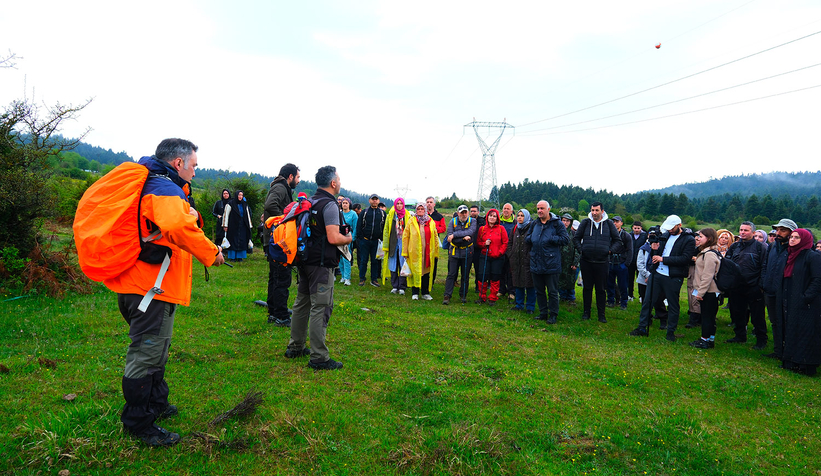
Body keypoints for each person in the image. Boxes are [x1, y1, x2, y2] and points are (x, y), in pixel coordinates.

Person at [106, 138, 225, 446]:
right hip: (150, 289)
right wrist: (211, 253)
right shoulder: (164, 188)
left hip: (143, 284)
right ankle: (138, 422)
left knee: (157, 349)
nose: (195, 173)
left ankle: (157, 403)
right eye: (194, 166)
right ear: (178, 163)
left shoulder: (151, 183)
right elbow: (178, 226)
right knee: (146, 354)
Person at [284, 166, 351, 371]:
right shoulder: (329, 205)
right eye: (338, 179)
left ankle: (295, 347)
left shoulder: (310, 201)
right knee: (320, 307)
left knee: (301, 303)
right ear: (332, 183)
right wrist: (349, 238)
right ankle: (319, 357)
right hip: (321, 264)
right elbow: (333, 237)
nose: (339, 182)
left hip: (304, 260)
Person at [629, 215, 696, 340]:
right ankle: (642, 327)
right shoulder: (665, 235)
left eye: (672, 228)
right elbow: (656, 256)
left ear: (679, 225)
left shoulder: (688, 240)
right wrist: (654, 250)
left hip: (673, 276)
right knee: (647, 301)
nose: (670, 230)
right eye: (668, 228)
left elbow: (685, 259)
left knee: (673, 304)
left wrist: (663, 259)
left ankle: (671, 331)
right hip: (657, 273)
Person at [779, 228, 821, 375]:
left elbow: (818, 279)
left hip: (807, 303)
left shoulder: (812, 256)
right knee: (792, 330)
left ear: (804, 240)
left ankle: (805, 364)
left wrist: (806, 297)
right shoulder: (791, 255)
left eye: (796, 238)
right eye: (791, 237)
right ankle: (791, 361)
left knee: (806, 332)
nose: (792, 240)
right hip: (791, 298)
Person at [264, 163, 300, 326]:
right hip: (278, 241)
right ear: (290, 176)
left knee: (275, 277)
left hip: (274, 240)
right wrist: (285, 221)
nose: (298, 180)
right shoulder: (280, 188)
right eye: (298, 177)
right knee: (281, 278)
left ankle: (274, 310)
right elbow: (270, 205)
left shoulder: (282, 187)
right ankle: (280, 315)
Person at [724, 221, 769, 349]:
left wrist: (760, 285)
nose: (742, 232)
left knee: (757, 315)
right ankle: (740, 335)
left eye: (746, 230)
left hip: (754, 286)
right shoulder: (735, 247)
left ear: (753, 233)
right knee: (738, 312)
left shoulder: (761, 248)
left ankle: (761, 340)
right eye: (741, 230)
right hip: (737, 286)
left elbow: (764, 267)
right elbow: (728, 264)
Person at [574, 202, 619, 322]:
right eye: (592, 210)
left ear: (602, 211)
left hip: (602, 262)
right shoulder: (585, 223)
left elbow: (617, 240)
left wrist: (610, 251)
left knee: (601, 289)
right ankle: (586, 312)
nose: (594, 213)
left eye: (597, 210)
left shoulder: (609, 224)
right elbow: (576, 238)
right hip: (586, 261)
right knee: (587, 288)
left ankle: (601, 315)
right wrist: (581, 250)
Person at [528, 201, 569, 323]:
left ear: (548, 209)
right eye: (538, 208)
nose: (539, 211)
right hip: (536, 262)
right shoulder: (534, 223)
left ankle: (553, 314)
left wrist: (551, 238)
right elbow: (527, 237)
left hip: (551, 264)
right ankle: (543, 312)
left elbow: (565, 239)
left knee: (552, 292)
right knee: (539, 291)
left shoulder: (557, 224)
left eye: (542, 208)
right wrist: (532, 238)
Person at [762, 218, 797, 360]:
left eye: (783, 230)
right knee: (775, 321)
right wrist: (764, 282)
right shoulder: (772, 246)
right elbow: (765, 265)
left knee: (787, 322)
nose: (778, 233)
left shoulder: (794, 249)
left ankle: (788, 352)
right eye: (777, 230)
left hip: (786, 292)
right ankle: (777, 350)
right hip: (770, 290)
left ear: (791, 232)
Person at [688, 228, 721, 349]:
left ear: (709, 239)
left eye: (701, 236)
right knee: (709, 316)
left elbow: (707, 276)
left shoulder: (710, 255)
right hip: (708, 291)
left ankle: (704, 340)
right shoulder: (706, 253)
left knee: (707, 316)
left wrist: (700, 293)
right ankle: (710, 339)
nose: (698, 239)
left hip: (709, 291)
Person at [402, 203, 438, 300]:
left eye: (422, 209)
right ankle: (415, 292)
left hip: (427, 251)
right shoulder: (411, 221)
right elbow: (405, 237)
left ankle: (425, 292)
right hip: (414, 251)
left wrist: (436, 251)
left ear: (425, 210)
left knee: (426, 271)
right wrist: (405, 252)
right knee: (415, 271)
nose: (420, 210)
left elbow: (435, 237)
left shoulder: (431, 221)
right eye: (418, 209)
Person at [443, 205, 477, 305]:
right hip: (454, 252)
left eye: (465, 212)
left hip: (467, 252)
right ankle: (447, 295)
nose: (464, 214)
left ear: (468, 213)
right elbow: (450, 237)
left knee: (465, 275)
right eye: (461, 212)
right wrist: (462, 238)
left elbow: (470, 232)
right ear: (458, 213)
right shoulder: (452, 221)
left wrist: (455, 235)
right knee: (451, 274)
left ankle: (463, 295)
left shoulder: (473, 221)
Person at [475, 208, 509, 305]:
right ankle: (482, 296)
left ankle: (493, 298)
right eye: (490, 215)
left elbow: (505, 242)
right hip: (484, 256)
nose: (492, 218)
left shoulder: (501, 229)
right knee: (482, 276)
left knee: (495, 277)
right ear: (487, 217)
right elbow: (478, 242)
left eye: (494, 216)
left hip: (497, 257)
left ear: (497, 218)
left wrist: (500, 252)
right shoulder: (482, 229)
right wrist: (484, 244)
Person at [508, 209, 535, 313]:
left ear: (527, 217)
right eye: (518, 215)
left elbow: (534, 243)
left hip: (528, 261)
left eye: (522, 216)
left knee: (529, 284)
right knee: (518, 282)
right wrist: (511, 254)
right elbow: (510, 243)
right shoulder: (515, 229)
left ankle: (530, 307)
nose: (519, 217)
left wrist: (530, 256)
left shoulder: (531, 228)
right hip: (516, 260)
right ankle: (519, 304)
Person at [356, 194, 386, 286]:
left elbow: (384, 227)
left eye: (376, 199)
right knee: (363, 260)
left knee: (375, 261)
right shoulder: (364, 212)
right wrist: (361, 238)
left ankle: (374, 279)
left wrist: (381, 238)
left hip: (376, 241)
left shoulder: (382, 213)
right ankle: (362, 278)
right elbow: (359, 226)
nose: (374, 201)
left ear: (378, 201)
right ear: (369, 201)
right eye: (373, 199)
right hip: (365, 240)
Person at [606, 216, 633, 311]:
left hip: (621, 262)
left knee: (623, 285)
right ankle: (610, 301)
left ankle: (624, 303)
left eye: (617, 221)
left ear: (621, 223)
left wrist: (627, 264)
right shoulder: (608, 235)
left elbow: (630, 250)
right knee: (609, 284)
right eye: (613, 221)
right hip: (610, 261)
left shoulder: (626, 236)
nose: (615, 223)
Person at [382, 198, 408, 294]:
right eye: (398, 203)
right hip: (393, 242)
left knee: (402, 264)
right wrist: (386, 245)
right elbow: (386, 230)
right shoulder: (391, 215)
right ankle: (394, 285)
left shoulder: (407, 215)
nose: (399, 205)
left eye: (401, 203)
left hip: (403, 243)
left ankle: (402, 286)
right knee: (393, 264)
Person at [222, 190, 252, 262]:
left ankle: (240, 257)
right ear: (236, 195)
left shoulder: (244, 204)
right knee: (233, 240)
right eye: (239, 195)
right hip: (233, 225)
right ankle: (233, 257)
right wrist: (225, 225)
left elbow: (247, 215)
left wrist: (249, 225)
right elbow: (226, 215)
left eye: (241, 195)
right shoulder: (230, 204)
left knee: (242, 240)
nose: (240, 197)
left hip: (243, 225)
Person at [558, 213, 580, 305]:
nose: (565, 223)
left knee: (570, 280)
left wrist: (575, 262)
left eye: (567, 221)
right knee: (559, 279)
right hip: (559, 261)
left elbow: (577, 249)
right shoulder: (557, 232)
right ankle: (562, 296)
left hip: (570, 261)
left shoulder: (574, 234)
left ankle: (571, 297)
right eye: (563, 220)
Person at [425, 196, 447, 284]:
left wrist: (433, 229)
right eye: (427, 202)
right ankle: (424, 281)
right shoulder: (423, 215)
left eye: (431, 202)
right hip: (423, 241)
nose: (429, 204)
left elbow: (443, 228)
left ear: (434, 204)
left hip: (434, 241)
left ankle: (432, 282)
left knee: (434, 262)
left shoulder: (439, 216)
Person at [499, 203, 517, 297]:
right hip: (499, 250)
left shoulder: (515, 222)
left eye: (508, 209)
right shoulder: (498, 221)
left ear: (511, 211)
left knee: (510, 272)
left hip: (511, 251)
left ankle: (511, 291)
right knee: (500, 271)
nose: (506, 210)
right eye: (504, 208)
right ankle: (501, 289)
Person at [339, 197, 358, 286]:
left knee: (346, 258)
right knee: (340, 259)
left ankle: (347, 278)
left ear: (349, 204)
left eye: (346, 203)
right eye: (343, 203)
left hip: (348, 238)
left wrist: (352, 239)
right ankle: (342, 276)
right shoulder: (339, 213)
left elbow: (355, 228)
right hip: (339, 237)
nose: (345, 204)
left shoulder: (353, 214)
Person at [627, 221, 647, 301]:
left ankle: (641, 296)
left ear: (641, 228)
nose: (636, 230)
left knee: (640, 280)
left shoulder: (644, 236)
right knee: (630, 279)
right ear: (632, 228)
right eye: (635, 228)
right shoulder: (629, 235)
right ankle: (630, 295)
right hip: (631, 260)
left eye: (638, 228)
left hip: (640, 261)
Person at [469, 205, 486, 293]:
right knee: (466, 268)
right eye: (471, 211)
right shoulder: (467, 221)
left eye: (474, 211)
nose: (473, 213)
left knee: (478, 269)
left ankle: (478, 287)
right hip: (468, 248)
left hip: (478, 249)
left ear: (478, 212)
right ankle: (465, 286)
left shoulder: (482, 222)